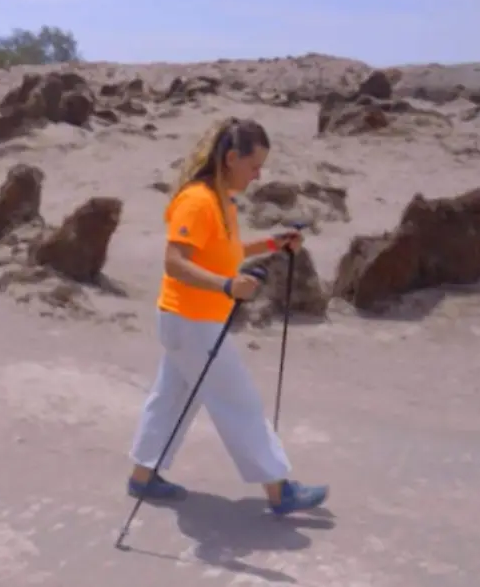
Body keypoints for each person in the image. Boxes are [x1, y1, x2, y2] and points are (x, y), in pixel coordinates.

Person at [125, 117, 329, 516]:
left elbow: (227, 253)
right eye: (254, 166)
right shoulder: (197, 201)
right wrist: (225, 286)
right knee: (240, 403)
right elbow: (175, 262)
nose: (258, 176)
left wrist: (272, 243)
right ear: (231, 158)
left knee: (170, 399)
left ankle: (142, 477)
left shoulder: (222, 203)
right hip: (192, 322)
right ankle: (279, 490)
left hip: (189, 323)